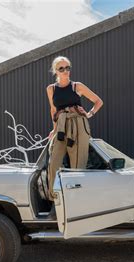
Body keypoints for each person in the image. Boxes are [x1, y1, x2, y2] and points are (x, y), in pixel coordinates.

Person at [45, 56, 103, 201]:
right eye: (61, 68)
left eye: (68, 68)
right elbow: (53, 111)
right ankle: (55, 200)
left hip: (78, 125)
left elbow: (98, 101)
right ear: (55, 71)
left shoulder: (77, 86)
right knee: (54, 164)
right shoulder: (51, 89)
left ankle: (76, 200)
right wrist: (54, 129)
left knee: (78, 164)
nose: (65, 71)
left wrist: (89, 114)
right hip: (61, 127)